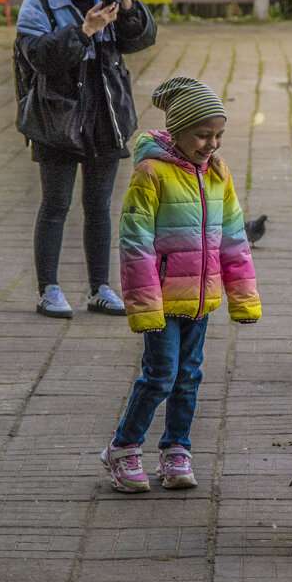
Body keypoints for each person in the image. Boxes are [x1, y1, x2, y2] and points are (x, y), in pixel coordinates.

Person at [100, 77, 261, 493]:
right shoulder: (151, 173)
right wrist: (145, 307)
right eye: (203, 135)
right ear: (177, 131)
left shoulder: (218, 175)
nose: (212, 144)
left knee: (188, 376)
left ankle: (176, 449)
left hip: (201, 302)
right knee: (160, 376)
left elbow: (234, 239)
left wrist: (243, 298)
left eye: (219, 135)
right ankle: (123, 448)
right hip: (163, 302)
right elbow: (135, 245)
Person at [15, 0, 157, 319]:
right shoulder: (38, 0)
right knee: (55, 205)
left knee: (99, 207)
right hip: (56, 116)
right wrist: (84, 31)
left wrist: (127, 2)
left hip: (106, 113)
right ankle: (49, 290)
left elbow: (141, 39)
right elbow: (39, 57)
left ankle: (100, 288)